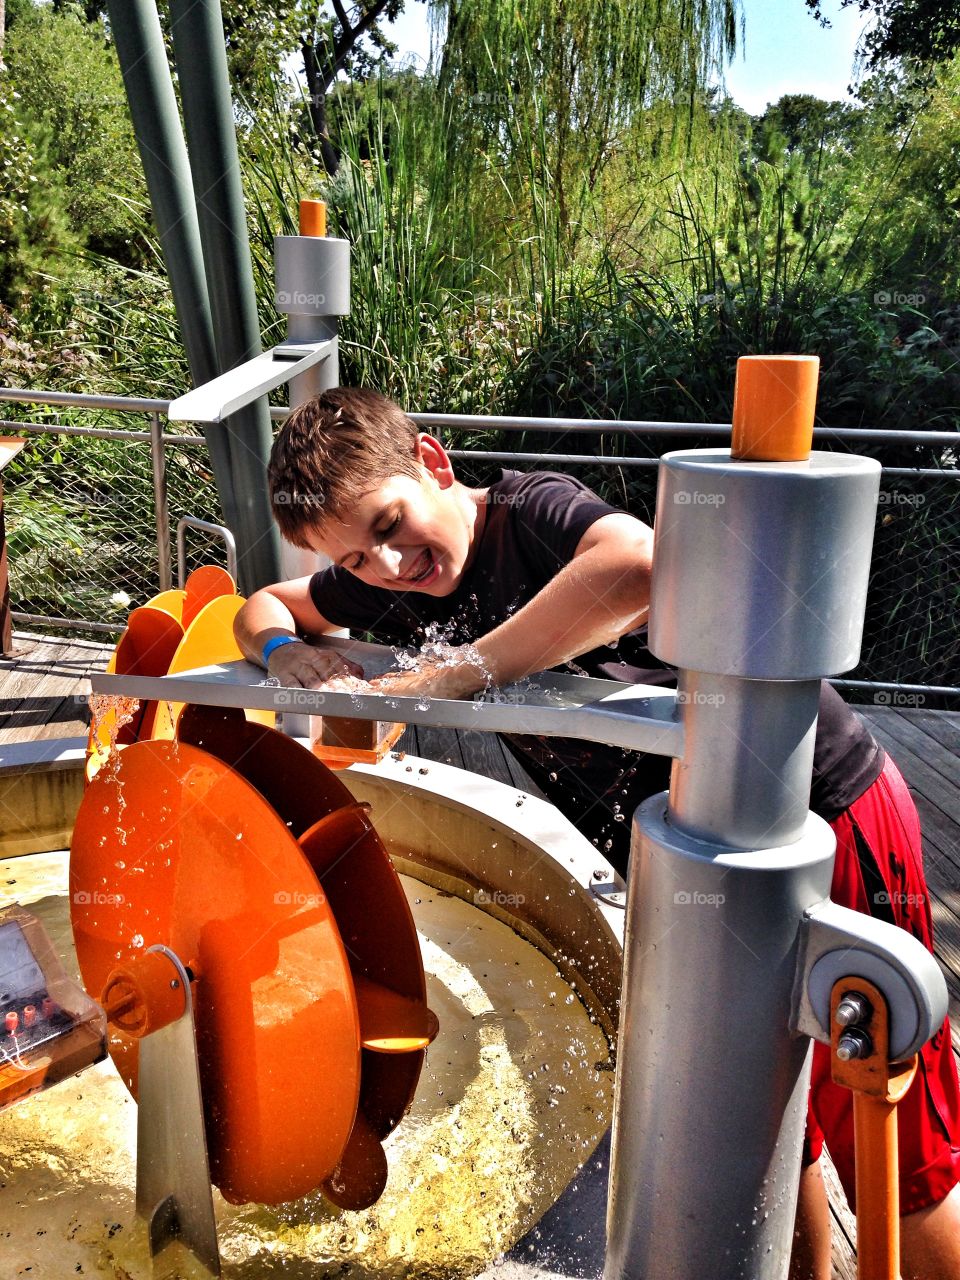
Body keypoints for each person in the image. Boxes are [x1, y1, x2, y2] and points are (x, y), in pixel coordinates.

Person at [234, 386, 960, 1278]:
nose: (384, 564)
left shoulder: (529, 512)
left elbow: (640, 564)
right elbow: (266, 601)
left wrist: (462, 673)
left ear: (432, 463)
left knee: (903, 1137)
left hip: (821, 811)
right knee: (764, 1113)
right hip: (694, 853)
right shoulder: (385, 582)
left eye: (389, 523)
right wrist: (286, 654)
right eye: (355, 555)